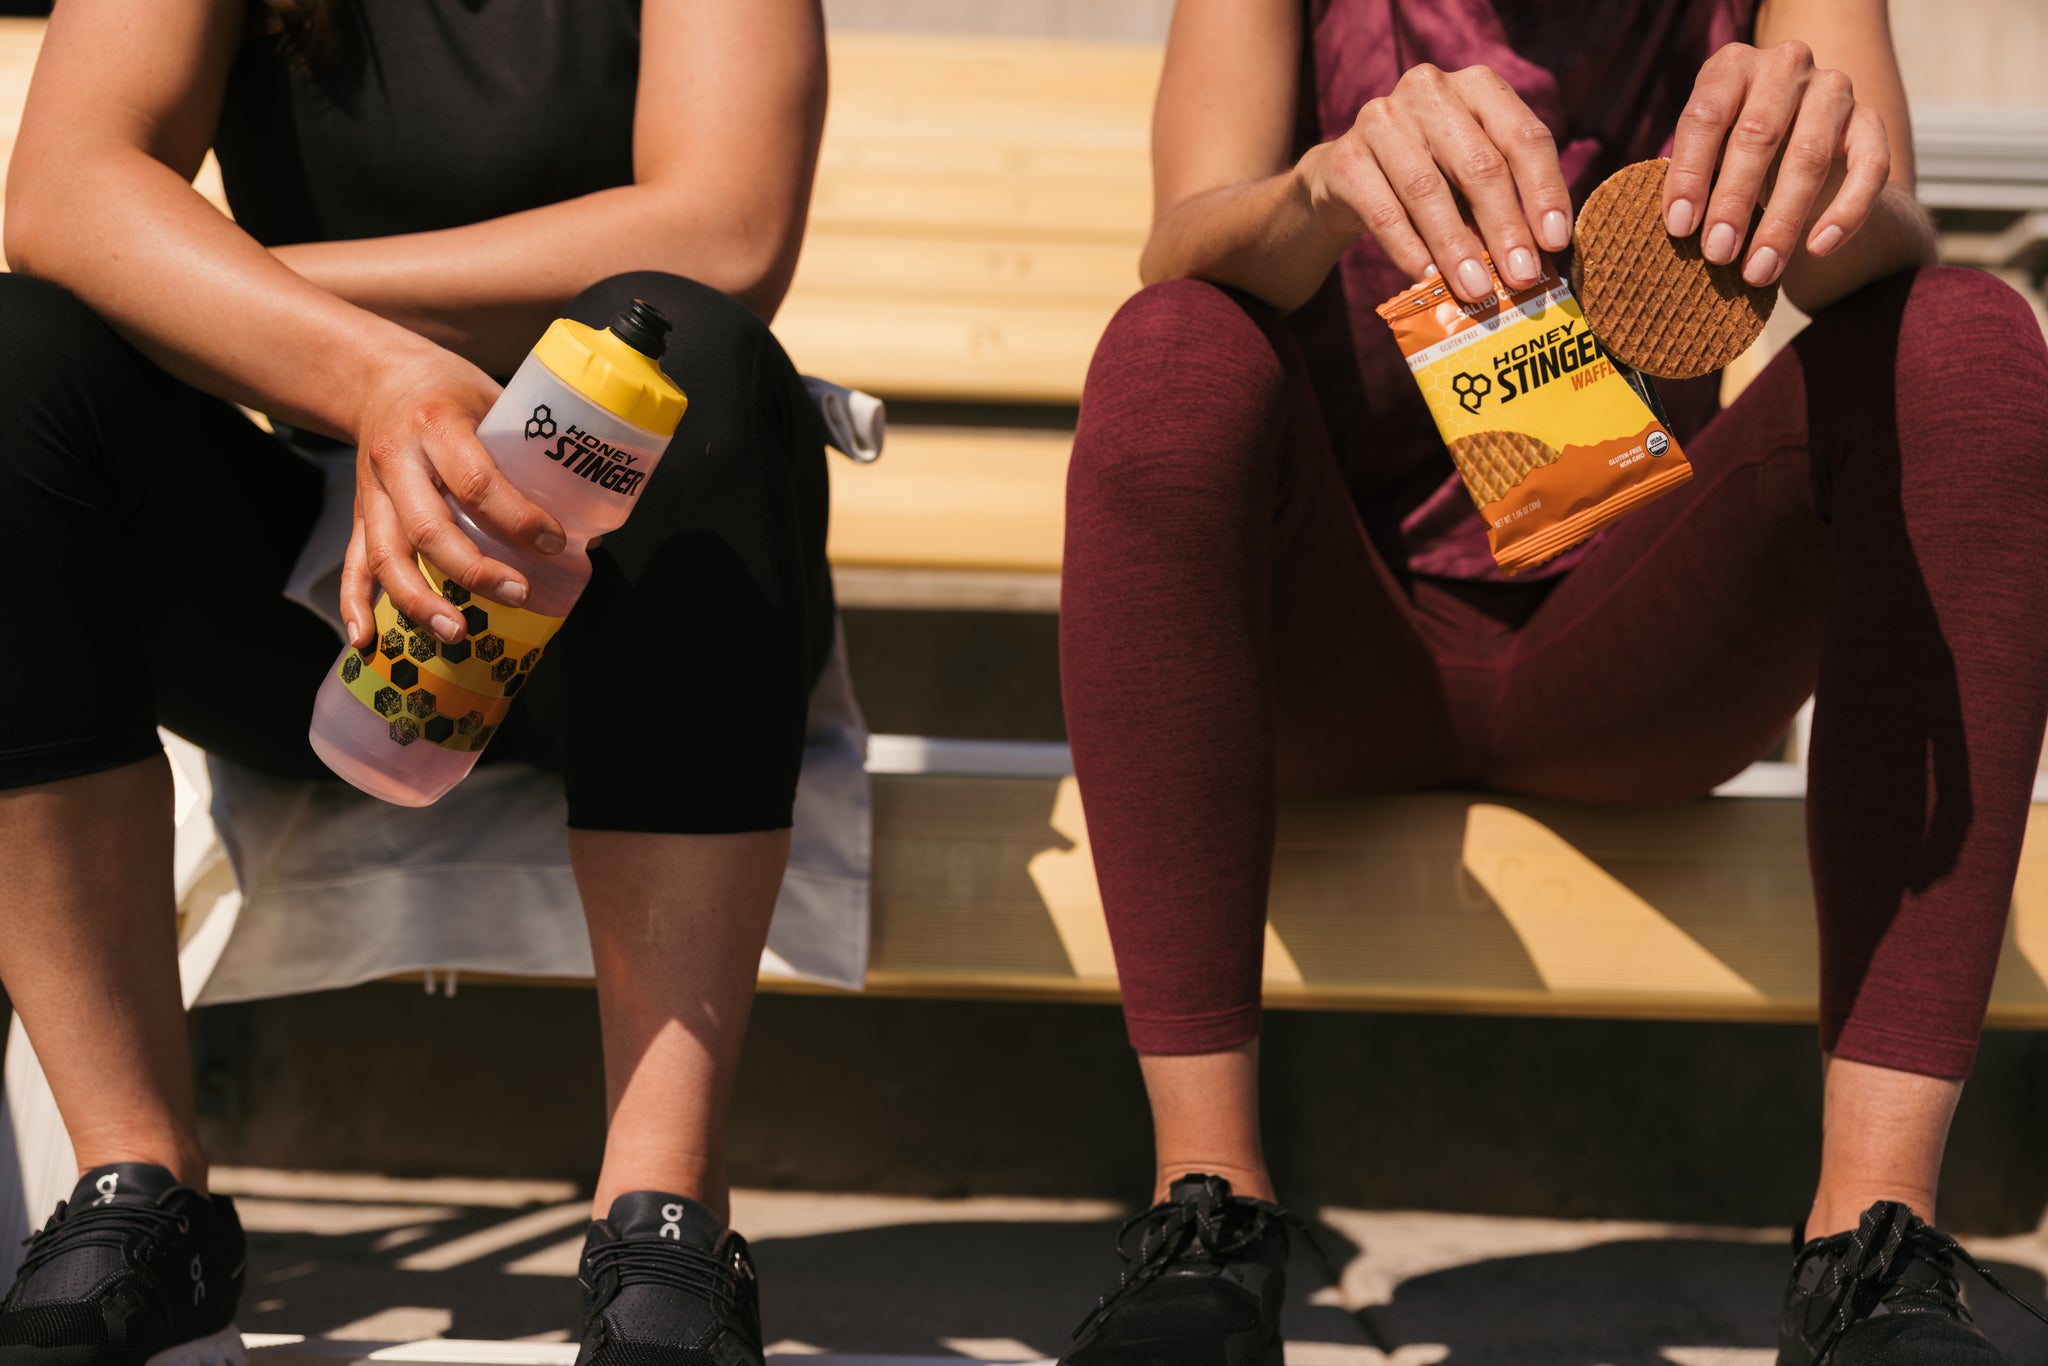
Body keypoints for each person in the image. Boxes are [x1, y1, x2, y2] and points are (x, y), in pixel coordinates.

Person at [1056, 0, 2048, 1362]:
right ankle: (1207, 1224)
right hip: (1341, 642)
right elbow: (1182, 241)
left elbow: (1887, 262)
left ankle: (1871, 1250)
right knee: (1169, 346)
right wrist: (1325, 182)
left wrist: (1826, 179)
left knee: (1972, 338)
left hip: (1636, 651)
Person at [0, 2, 831, 1363]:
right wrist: (374, 373)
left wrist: (249, 279)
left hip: (642, 595)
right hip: (326, 591)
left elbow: (722, 227)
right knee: (14, 358)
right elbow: (65, 197)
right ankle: (136, 1187)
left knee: (690, 347)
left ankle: (661, 1218)